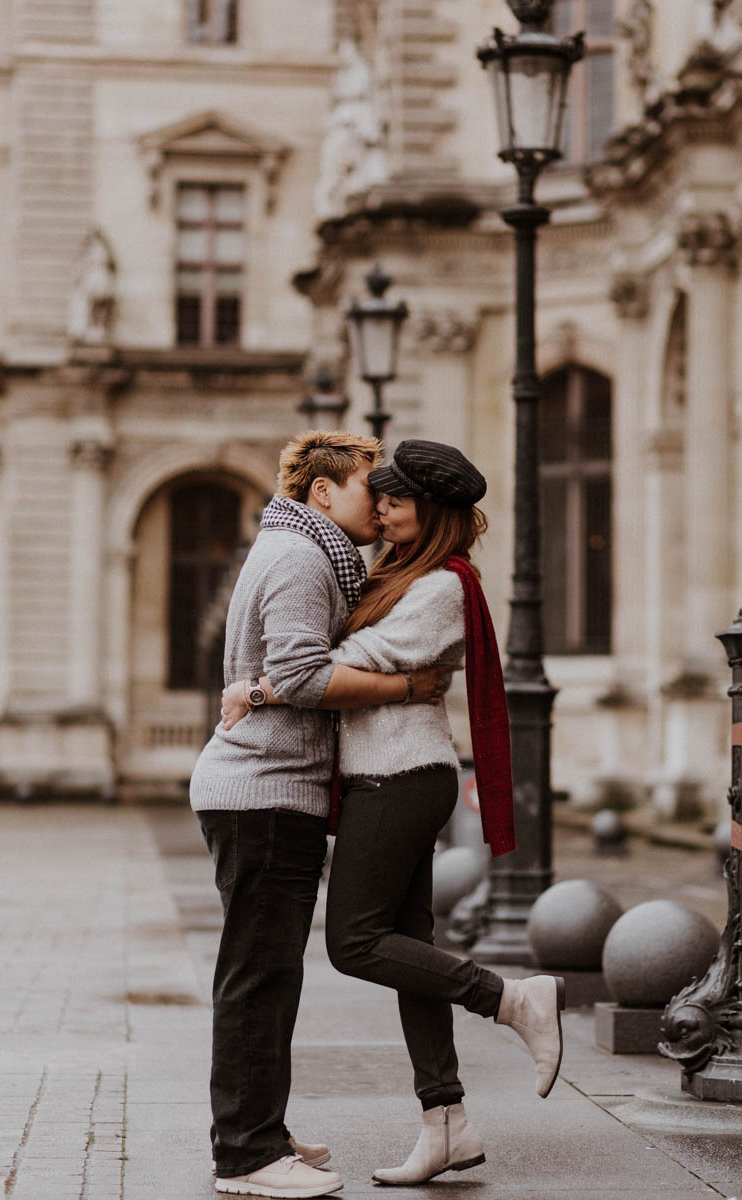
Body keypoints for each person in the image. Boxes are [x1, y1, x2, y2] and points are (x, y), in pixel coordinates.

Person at [221, 439, 566, 1187]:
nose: (379, 509)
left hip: (402, 778)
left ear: (430, 512)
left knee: (355, 941)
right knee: (410, 952)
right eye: (376, 496)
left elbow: (345, 661)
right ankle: (447, 1123)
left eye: (394, 500)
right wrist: (287, 676)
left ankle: (511, 998)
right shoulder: (397, 573)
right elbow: (331, 661)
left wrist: (260, 689)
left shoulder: (444, 584)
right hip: (386, 776)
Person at [190, 431, 446, 1200]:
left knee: (262, 972)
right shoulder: (304, 559)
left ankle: (259, 1130)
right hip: (266, 790)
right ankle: (246, 1155)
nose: (386, 503)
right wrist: (409, 689)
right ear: (325, 493)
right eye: (375, 488)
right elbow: (302, 676)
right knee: (259, 977)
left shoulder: (294, 549)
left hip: (262, 789)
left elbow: (278, 674)